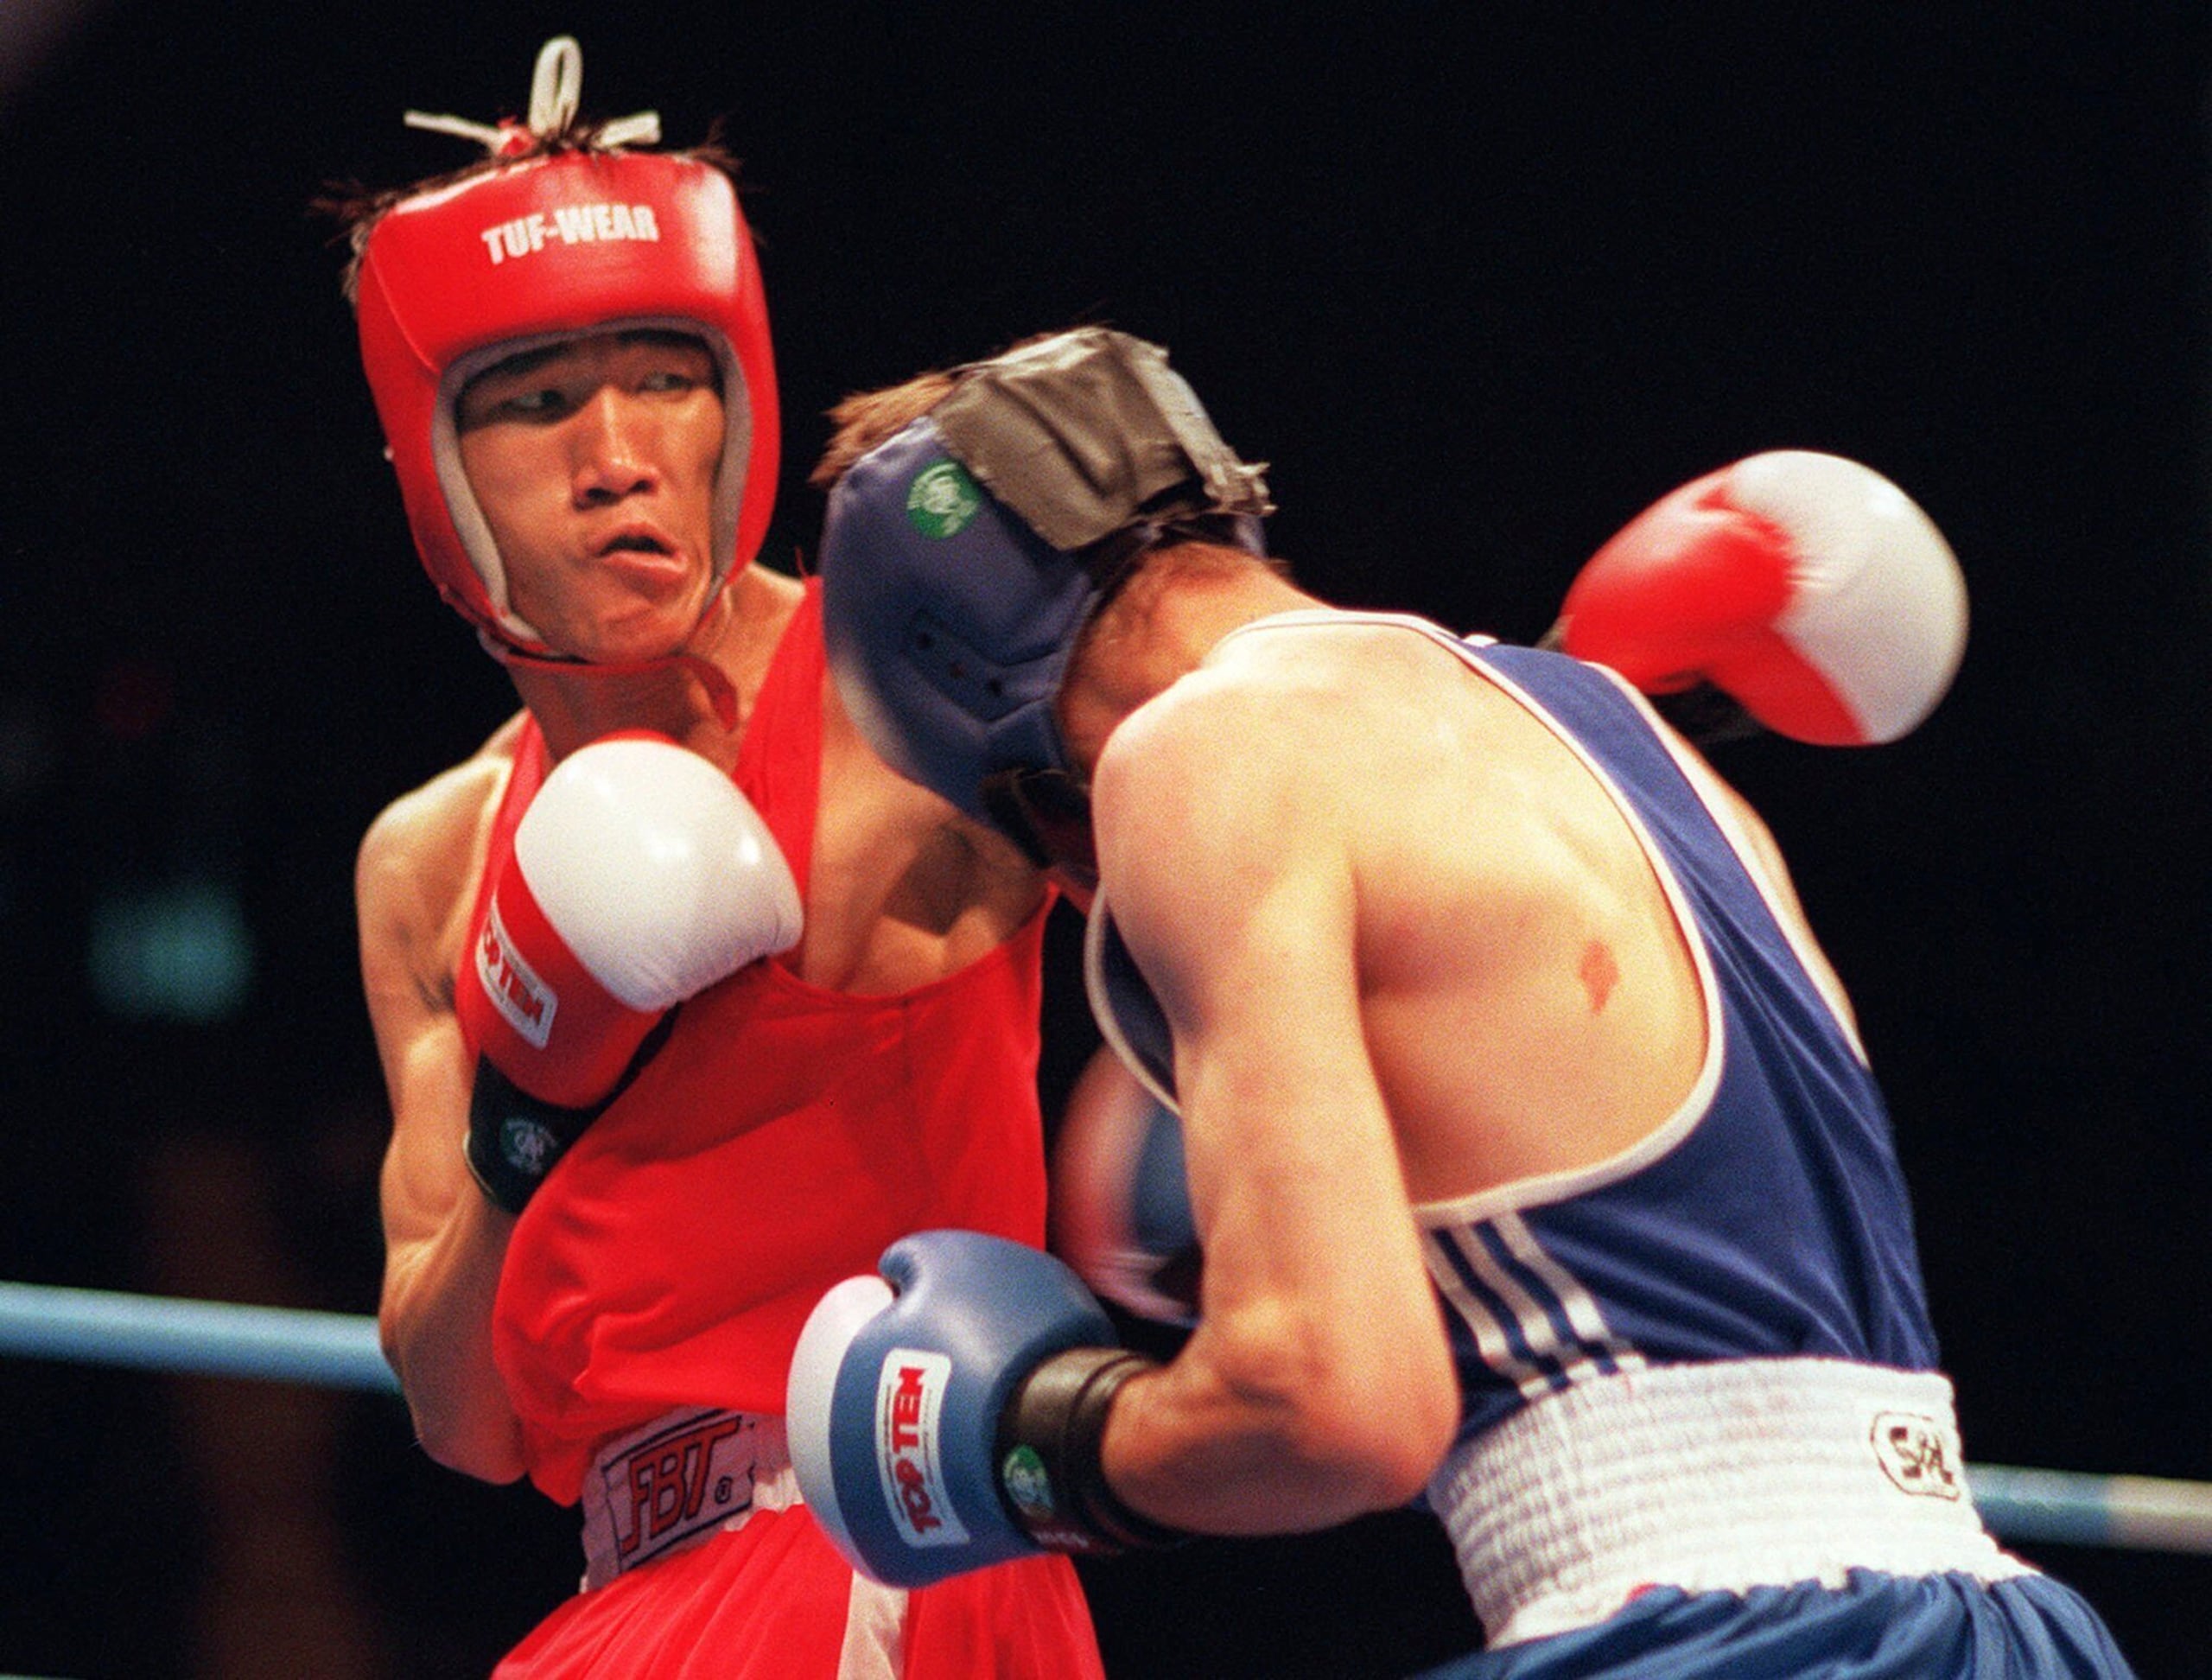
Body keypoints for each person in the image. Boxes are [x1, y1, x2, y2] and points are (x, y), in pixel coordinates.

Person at [784, 326, 2137, 1677]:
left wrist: (1038, 1444)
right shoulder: (1614, 730)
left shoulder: (1198, 754)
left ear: (968, 717)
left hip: (1710, 1635)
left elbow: (1331, 1407)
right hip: (2000, 1623)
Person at [337, 40, 1103, 1677]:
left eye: (666, 379)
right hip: (619, 1605)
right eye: (539, 401)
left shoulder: (908, 692)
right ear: (434, 468)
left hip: (889, 1561)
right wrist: (524, 1116)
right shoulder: (433, 858)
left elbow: (1250, 808)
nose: (616, 451)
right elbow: (462, 1414)